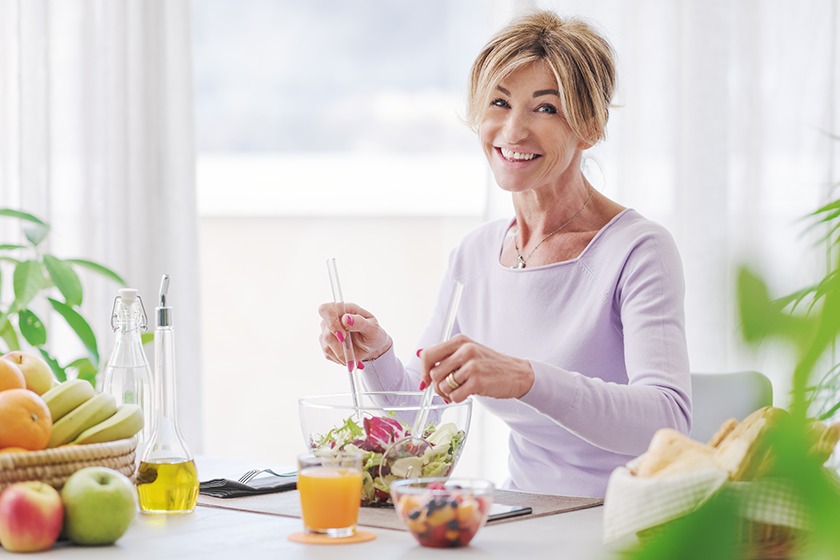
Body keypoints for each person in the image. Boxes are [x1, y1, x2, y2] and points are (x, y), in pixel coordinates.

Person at [318, 10, 691, 498]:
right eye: (499, 102)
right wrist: (376, 353)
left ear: (591, 126)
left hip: (623, 516)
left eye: (546, 108)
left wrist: (524, 378)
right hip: (519, 513)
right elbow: (419, 414)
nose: (513, 131)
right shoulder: (475, 254)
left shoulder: (638, 250)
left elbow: (666, 421)